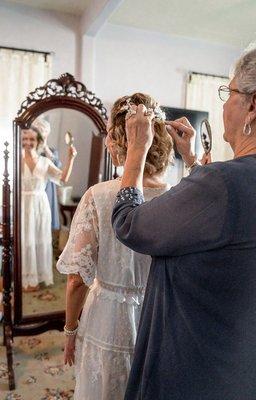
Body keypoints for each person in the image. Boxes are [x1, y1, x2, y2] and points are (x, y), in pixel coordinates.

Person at [112, 47, 256, 400]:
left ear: (252, 105)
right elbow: (220, 223)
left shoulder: (223, 184)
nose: (224, 105)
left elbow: (129, 223)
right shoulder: (225, 184)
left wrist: (134, 154)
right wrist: (192, 160)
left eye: (229, 92)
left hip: (195, 363)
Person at [56, 93, 173, 400]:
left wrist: (70, 331)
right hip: (158, 319)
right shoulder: (179, 195)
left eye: (110, 133)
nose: (107, 140)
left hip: (106, 319)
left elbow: (76, 280)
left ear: (123, 140)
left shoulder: (99, 195)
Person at [21, 126, 77, 291]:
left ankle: (38, 277)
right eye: (25, 139)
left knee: (39, 239)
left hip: (40, 205)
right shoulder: (16, 161)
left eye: (32, 139)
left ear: (38, 141)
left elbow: (63, 178)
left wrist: (71, 158)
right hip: (22, 204)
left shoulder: (45, 162)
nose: (28, 142)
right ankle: (25, 278)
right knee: (25, 241)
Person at [33, 117, 62, 230]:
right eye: (39, 132)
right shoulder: (30, 150)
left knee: (45, 221)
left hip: (48, 188)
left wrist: (45, 148)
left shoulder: (52, 152)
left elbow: (58, 170)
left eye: (44, 133)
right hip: (33, 187)